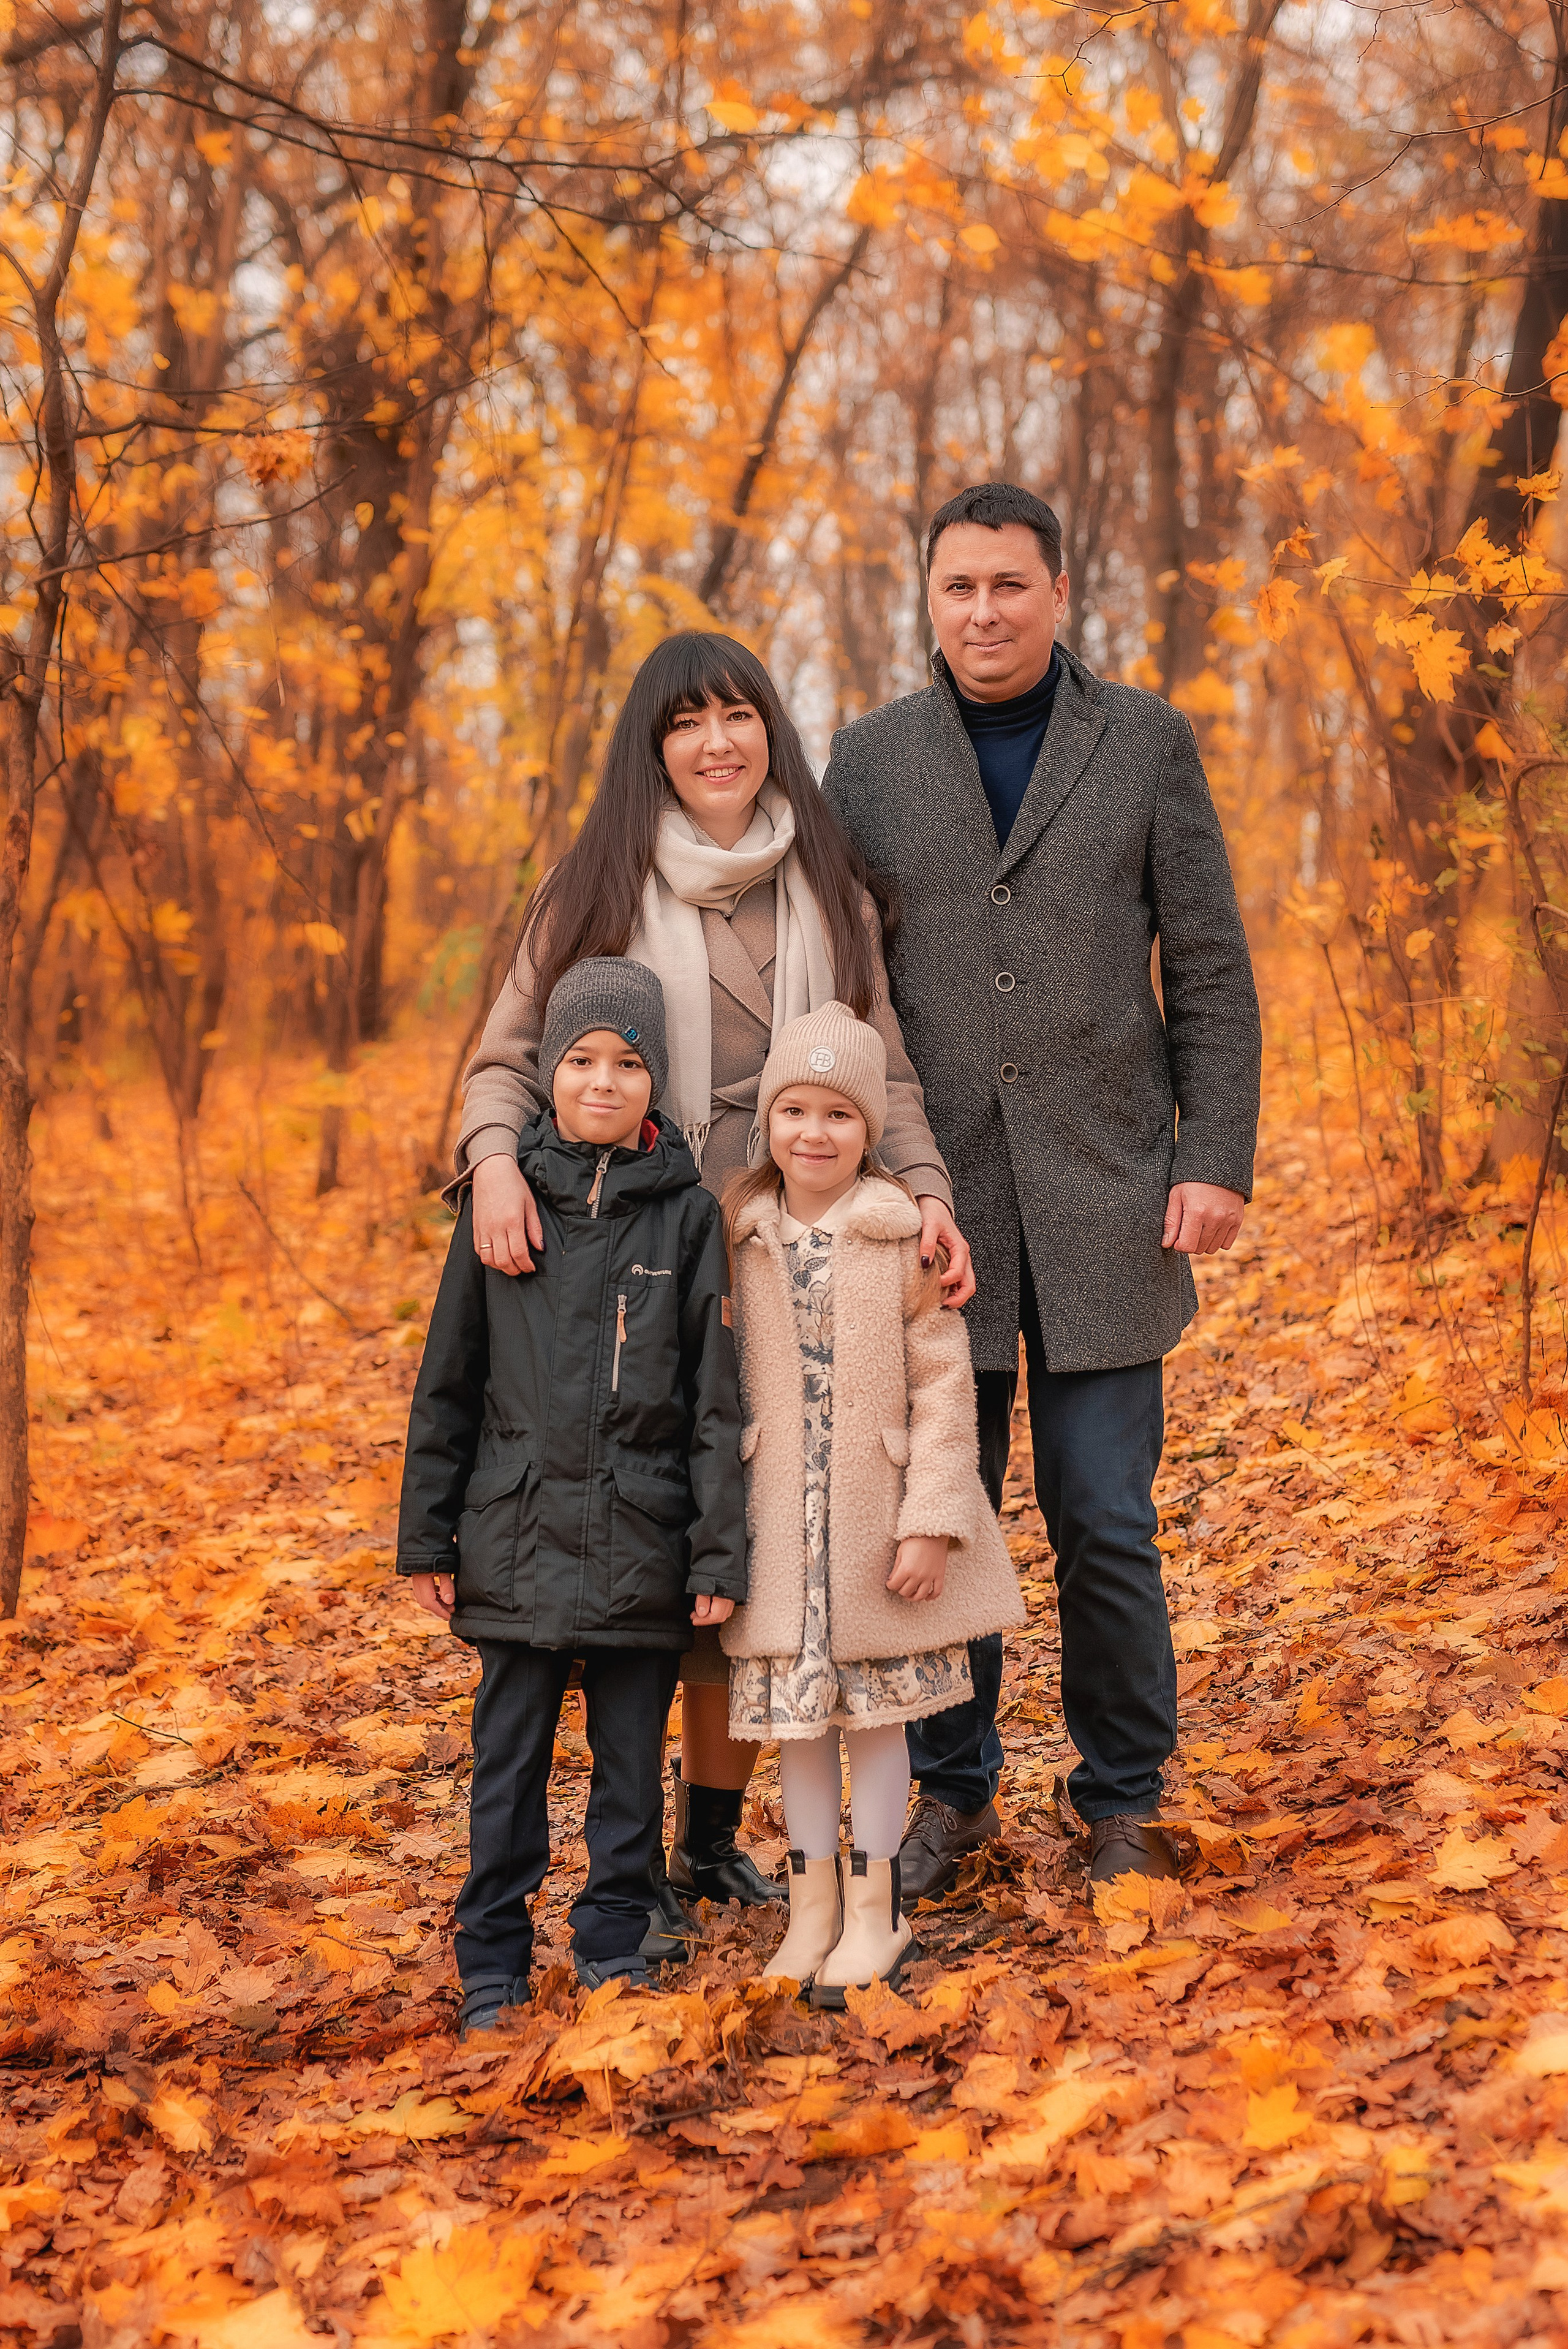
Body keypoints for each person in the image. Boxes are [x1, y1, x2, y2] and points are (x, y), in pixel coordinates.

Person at [450, 630, 971, 1934]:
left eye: (739, 715)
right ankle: (653, 1850)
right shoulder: (595, 883)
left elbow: (882, 1075)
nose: (717, 743)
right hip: (640, 1251)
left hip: (796, 1249)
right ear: (653, 747)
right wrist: (491, 1165)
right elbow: (506, 1058)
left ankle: (708, 1845)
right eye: (686, 722)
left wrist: (928, 1198)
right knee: (670, 1539)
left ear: (769, 733)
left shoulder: (827, 886)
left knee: (777, 1549)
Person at [823, 482, 1262, 1895]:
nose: (983, 613)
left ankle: (1122, 1793)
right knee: (938, 1519)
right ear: (929, 600)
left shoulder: (1141, 744)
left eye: (1009, 586)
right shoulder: (870, 761)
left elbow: (1204, 966)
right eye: (958, 588)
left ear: (1058, 594)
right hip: (934, 1204)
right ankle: (954, 1797)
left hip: (1107, 1194)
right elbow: (837, 981)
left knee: (1102, 1519)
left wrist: (1211, 1160)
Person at [396, 960, 747, 2033]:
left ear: (658, 1081)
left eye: (630, 1063)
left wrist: (717, 1556)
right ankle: (493, 1961)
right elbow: (447, 1378)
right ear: (548, 1074)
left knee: (631, 1776)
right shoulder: (504, 1207)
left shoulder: (688, 1221)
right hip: (514, 1537)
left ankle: (613, 1947)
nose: (605, 1081)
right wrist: (426, 1539)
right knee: (506, 1769)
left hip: (645, 1546)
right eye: (583, 1060)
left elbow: (715, 1408)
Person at [721, 1005, 1024, 2004]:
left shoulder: (898, 1235)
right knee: (800, 1731)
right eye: (794, 1111)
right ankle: (810, 1912)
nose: (814, 1133)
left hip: (872, 1523)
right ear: (769, 1121)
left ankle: (874, 1905)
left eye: (840, 1115)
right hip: (780, 1526)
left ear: (868, 1129)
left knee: (880, 1722)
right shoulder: (740, 1236)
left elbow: (945, 1383)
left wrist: (931, 1518)